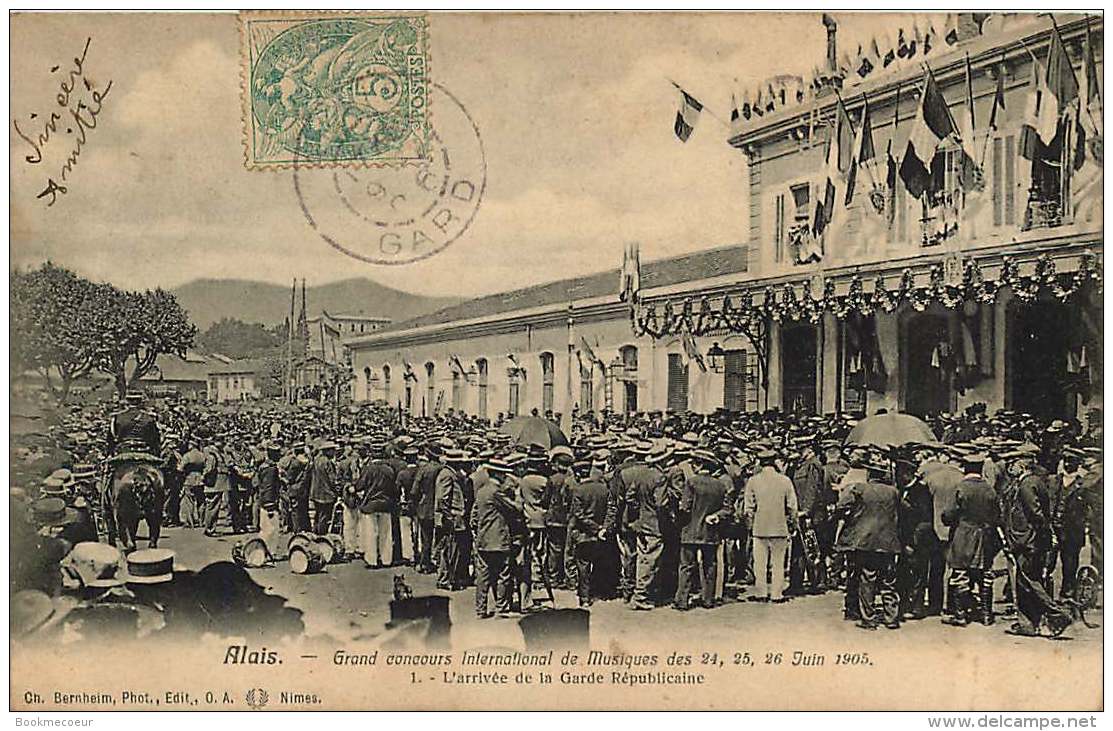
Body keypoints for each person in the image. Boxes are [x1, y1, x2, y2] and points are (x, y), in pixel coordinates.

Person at [1000, 451, 1072, 637]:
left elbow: (1036, 513)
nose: (1010, 467)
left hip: (1027, 540)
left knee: (1029, 580)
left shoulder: (1027, 484)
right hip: (1030, 539)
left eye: (1012, 463)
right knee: (1024, 582)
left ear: (1021, 465)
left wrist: (1037, 535)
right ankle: (1028, 624)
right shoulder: (1033, 481)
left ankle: (1057, 614)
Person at [834, 456, 901, 630]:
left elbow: (841, 507)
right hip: (889, 541)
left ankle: (868, 618)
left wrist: (851, 516)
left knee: (867, 578)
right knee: (888, 580)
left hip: (865, 541)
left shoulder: (859, 489)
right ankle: (891, 618)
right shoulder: (894, 491)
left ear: (869, 473)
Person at [941, 453, 1000, 627]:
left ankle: (960, 615)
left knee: (960, 574)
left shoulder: (960, 488)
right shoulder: (989, 489)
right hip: (985, 536)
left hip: (963, 535)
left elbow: (948, 514)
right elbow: (997, 515)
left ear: (965, 468)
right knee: (985, 575)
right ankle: (986, 615)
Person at [674, 450, 730, 611]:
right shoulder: (720, 485)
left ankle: (682, 600)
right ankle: (708, 599)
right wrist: (716, 516)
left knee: (686, 566)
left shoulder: (691, 483)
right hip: (710, 531)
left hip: (690, 530)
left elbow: (685, 507)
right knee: (710, 565)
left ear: (699, 465)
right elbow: (728, 509)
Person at [471, 459, 526, 618]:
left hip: (483, 538)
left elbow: (474, 516)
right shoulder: (496, 492)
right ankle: (502, 607)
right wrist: (517, 496)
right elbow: (516, 509)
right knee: (503, 573)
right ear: (497, 474)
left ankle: (480, 609)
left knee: (483, 575)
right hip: (499, 539)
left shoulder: (481, 491)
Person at [744, 448, 798, 603]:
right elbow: (792, 506)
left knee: (759, 563)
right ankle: (776, 594)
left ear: (760, 463)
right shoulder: (785, 480)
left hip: (760, 528)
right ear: (775, 462)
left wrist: (750, 525)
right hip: (780, 527)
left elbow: (748, 508)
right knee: (778, 562)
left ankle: (761, 592)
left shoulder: (753, 481)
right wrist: (792, 524)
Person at [624, 443, 670, 610]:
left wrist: (640, 510)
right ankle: (640, 596)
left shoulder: (641, 474)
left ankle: (640, 593)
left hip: (641, 523)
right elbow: (660, 503)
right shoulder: (660, 477)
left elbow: (629, 497)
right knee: (650, 561)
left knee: (642, 558)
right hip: (655, 524)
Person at [567, 457, 613, 607]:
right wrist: (603, 528)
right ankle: (600, 591)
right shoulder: (604, 489)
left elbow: (578, 515)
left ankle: (585, 597)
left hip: (583, 534)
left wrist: (595, 528)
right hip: (602, 535)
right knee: (600, 563)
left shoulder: (578, 490)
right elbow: (611, 510)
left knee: (583, 566)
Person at [357, 444, 397, 568]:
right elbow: (393, 488)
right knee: (385, 533)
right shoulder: (389, 470)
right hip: (386, 504)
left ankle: (372, 560)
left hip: (370, 505)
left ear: (372, 454)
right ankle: (386, 559)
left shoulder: (368, 469)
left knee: (371, 533)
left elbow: (360, 486)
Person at [310, 440, 339, 535]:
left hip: (315, 492)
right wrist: (336, 490)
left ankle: (315, 532)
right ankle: (321, 534)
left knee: (318, 514)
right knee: (325, 516)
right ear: (328, 451)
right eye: (333, 450)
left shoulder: (316, 460)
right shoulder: (328, 462)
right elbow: (332, 480)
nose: (334, 452)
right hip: (326, 494)